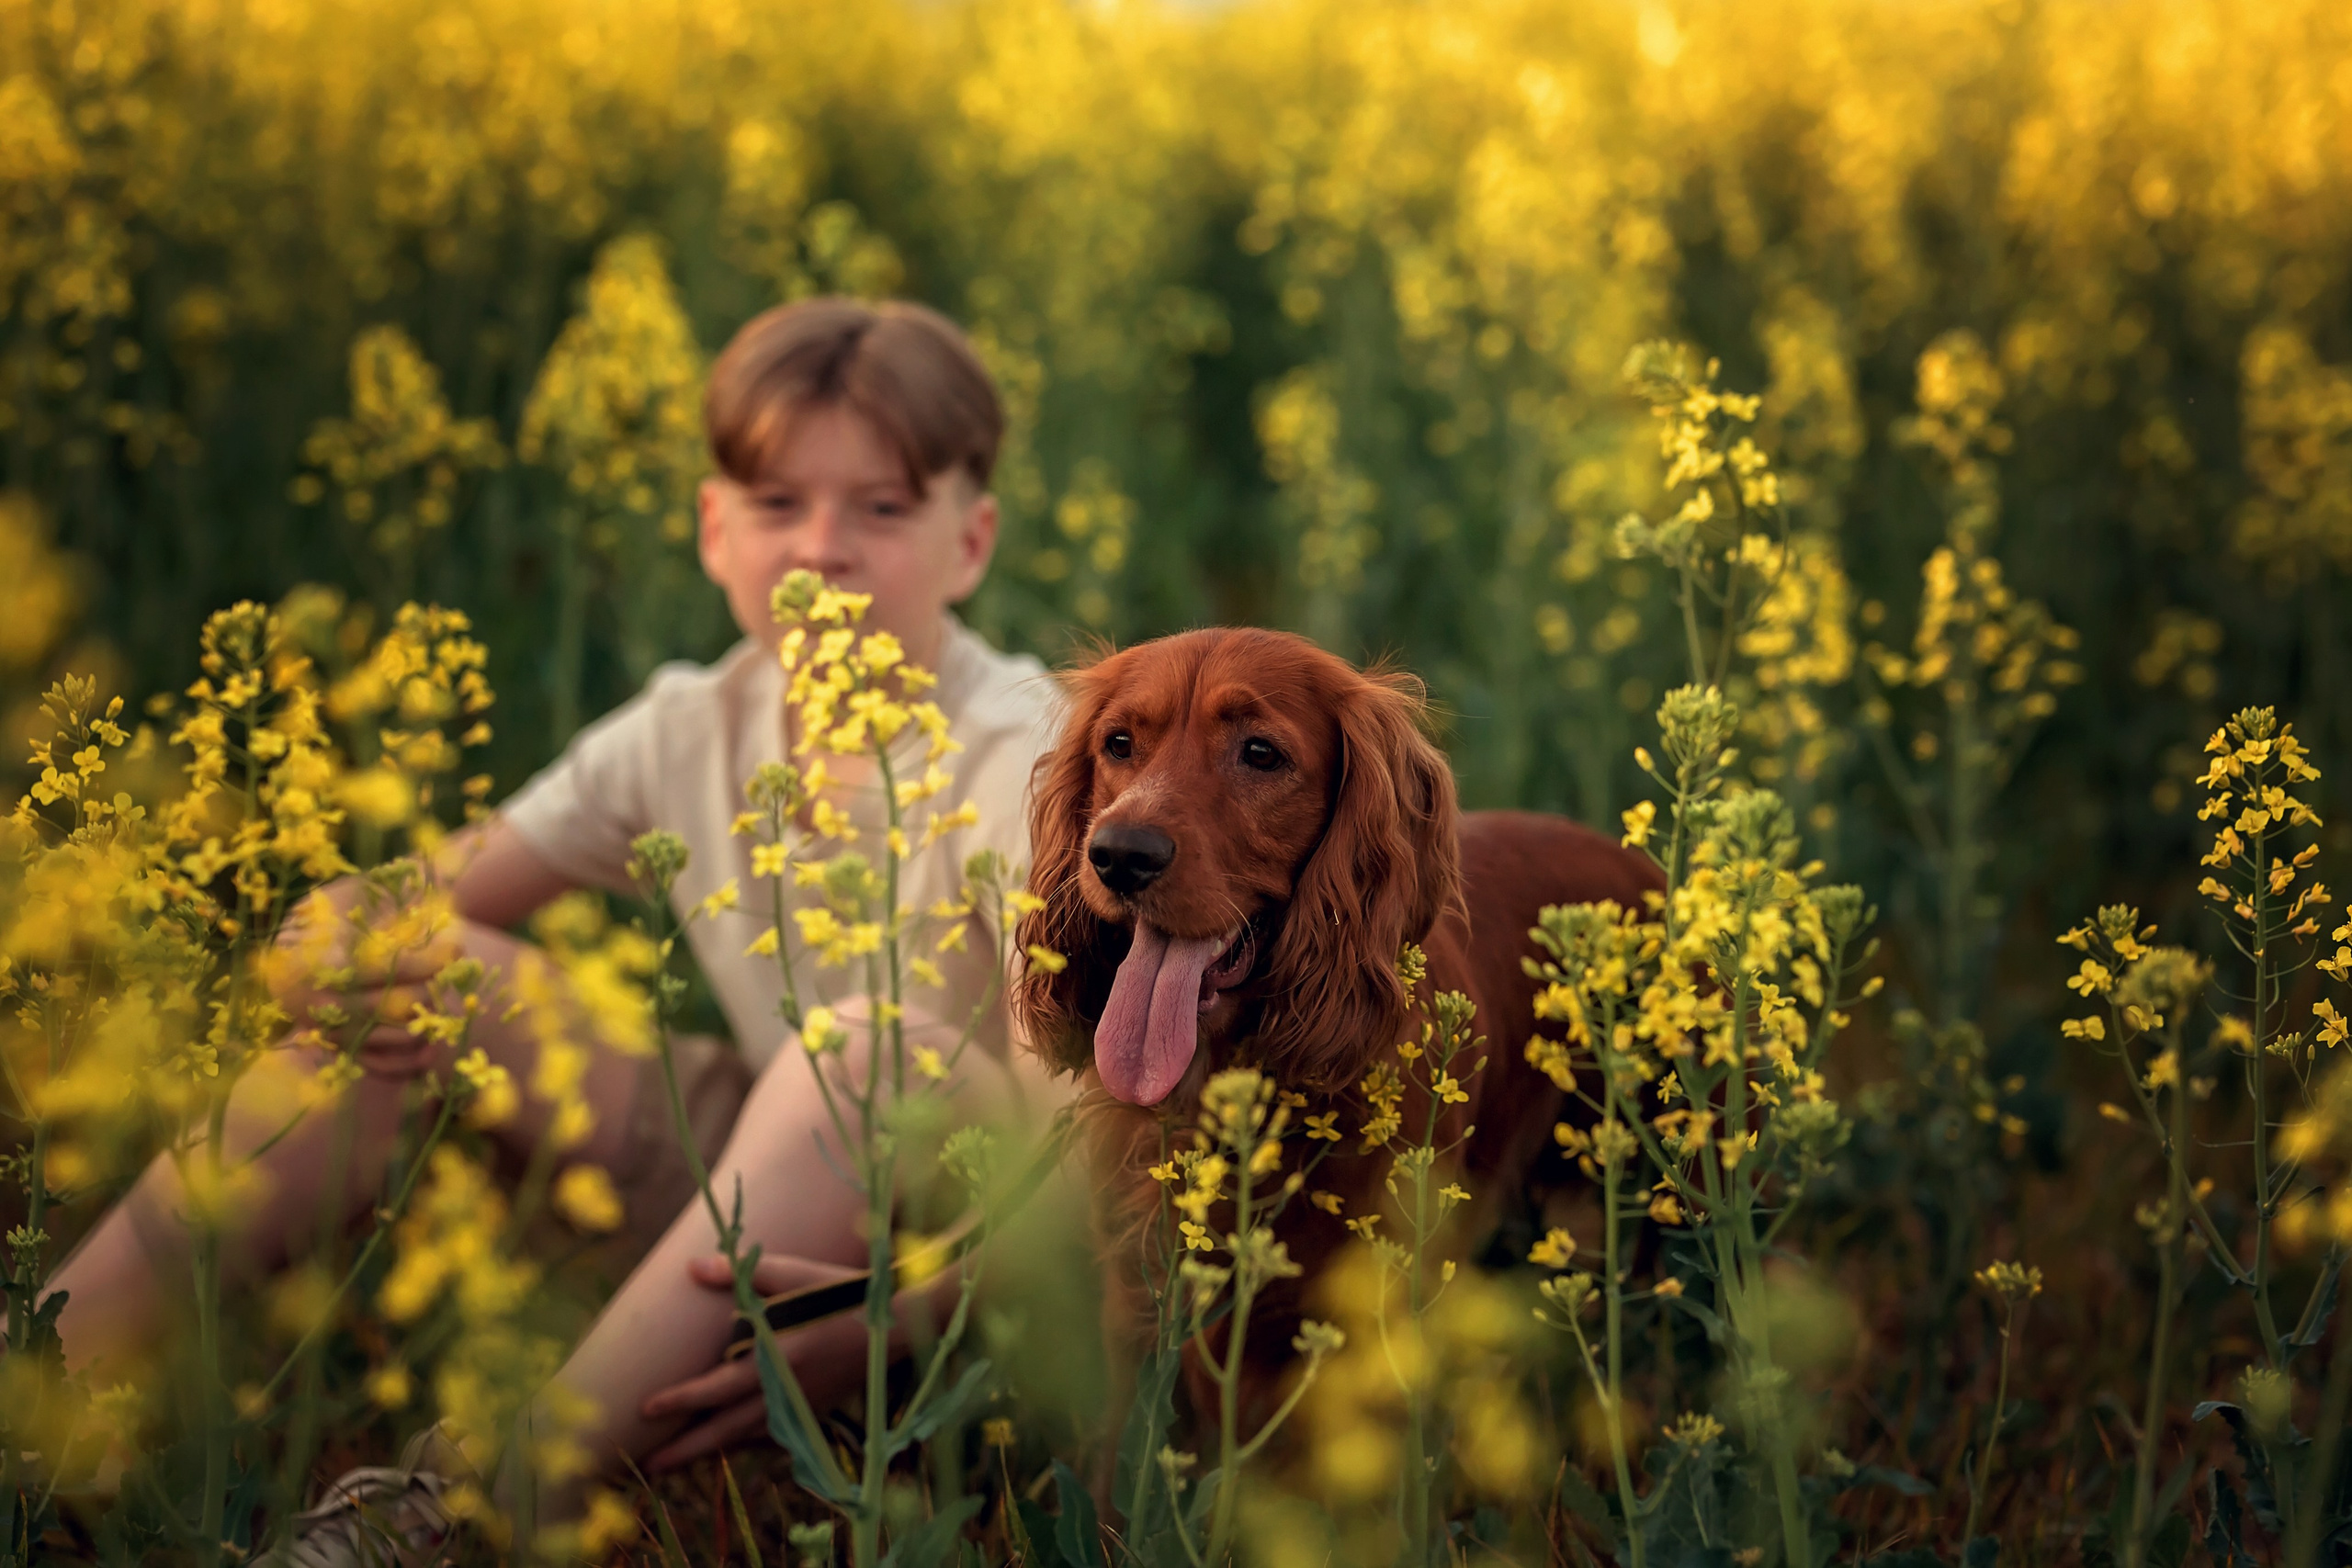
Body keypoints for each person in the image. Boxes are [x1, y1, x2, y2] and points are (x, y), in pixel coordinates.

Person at [46, 297, 1067, 1554]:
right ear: (712, 529)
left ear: (972, 542)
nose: (825, 550)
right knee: (414, 980)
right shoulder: (691, 724)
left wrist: (914, 1306)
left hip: (976, 1266)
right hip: (765, 1180)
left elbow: (1075, 1156)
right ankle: (40, 1391)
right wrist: (324, 953)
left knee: (861, 1052)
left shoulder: (1029, 754)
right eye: (777, 504)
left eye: (884, 508)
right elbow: (410, 902)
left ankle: (466, 1510)